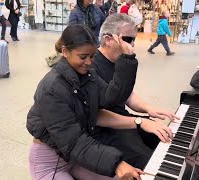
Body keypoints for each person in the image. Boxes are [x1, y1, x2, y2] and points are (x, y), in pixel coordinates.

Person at [27, 24, 173, 180]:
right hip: (50, 163)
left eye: (92, 56)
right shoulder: (52, 89)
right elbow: (74, 142)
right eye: (83, 57)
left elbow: (111, 97)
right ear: (65, 52)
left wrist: (128, 58)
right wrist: (117, 164)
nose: (89, 62)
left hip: (76, 158)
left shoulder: (87, 75)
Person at [92, 13, 179, 169]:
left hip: (123, 119)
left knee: (164, 137)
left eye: (134, 40)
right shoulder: (92, 66)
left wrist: (148, 109)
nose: (131, 45)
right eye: (127, 39)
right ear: (108, 39)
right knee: (145, 159)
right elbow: (98, 113)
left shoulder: (117, 61)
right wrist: (139, 122)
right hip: (106, 127)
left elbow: (127, 94)